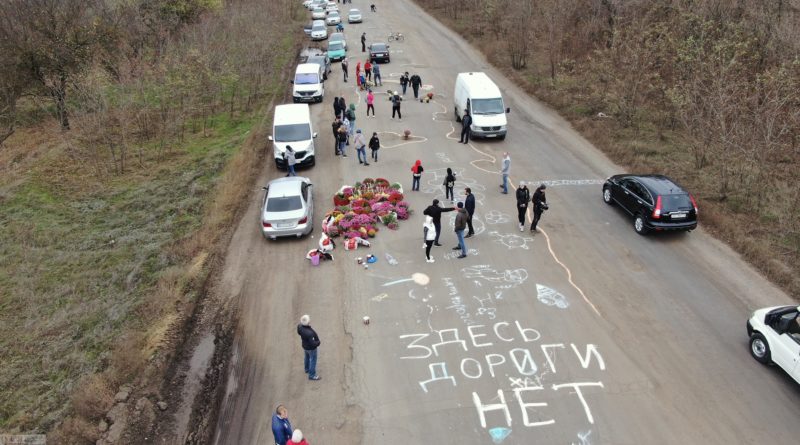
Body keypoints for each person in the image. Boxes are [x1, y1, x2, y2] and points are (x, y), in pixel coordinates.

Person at [297, 315, 321, 380]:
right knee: (313, 360)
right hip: (311, 349)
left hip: (305, 346)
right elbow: (313, 344)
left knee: (306, 357)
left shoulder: (299, 326)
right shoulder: (309, 333)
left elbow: (299, 333)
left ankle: (307, 369)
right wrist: (318, 343)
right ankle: (312, 375)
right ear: (308, 322)